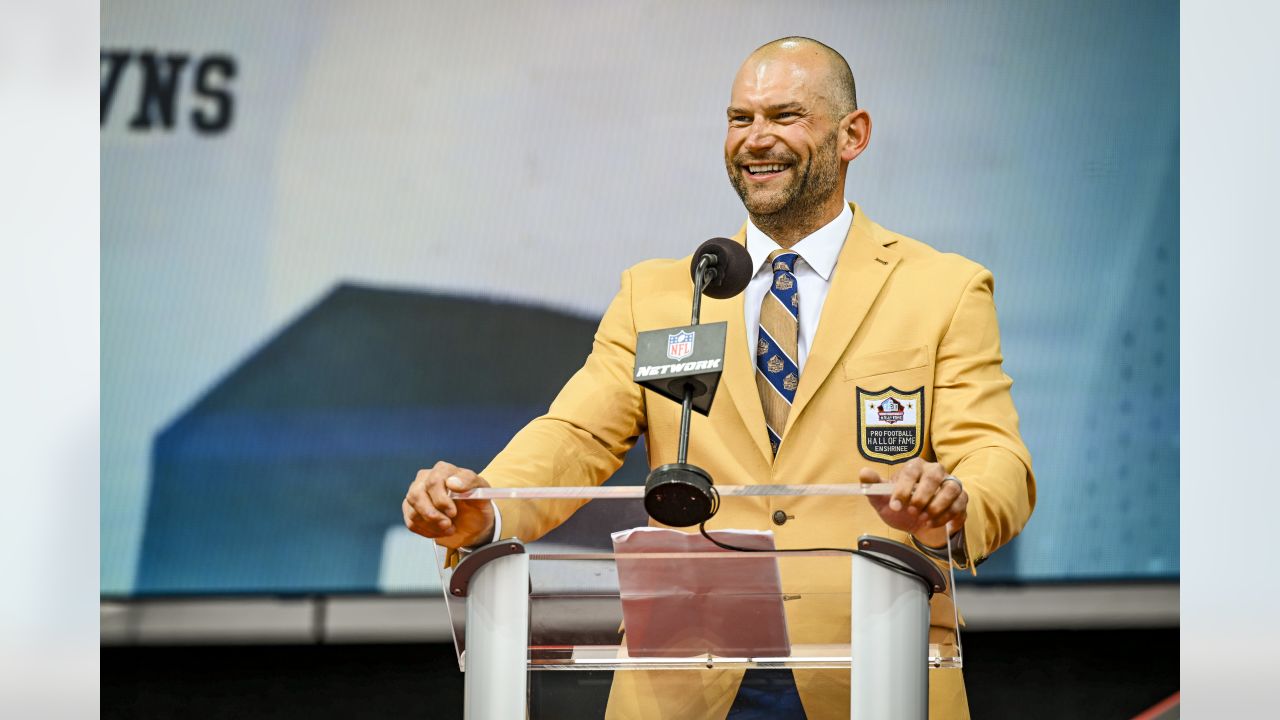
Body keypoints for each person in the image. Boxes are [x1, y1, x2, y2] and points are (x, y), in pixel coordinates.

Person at [403, 36, 1034, 720]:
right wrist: (484, 505)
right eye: (741, 119)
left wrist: (955, 501)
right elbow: (576, 435)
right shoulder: (667, 294)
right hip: (685, 674)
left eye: (784, 116)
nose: (756, 139)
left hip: (877, 670)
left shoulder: (941, 289)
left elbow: (997, 457)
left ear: (853, 134)